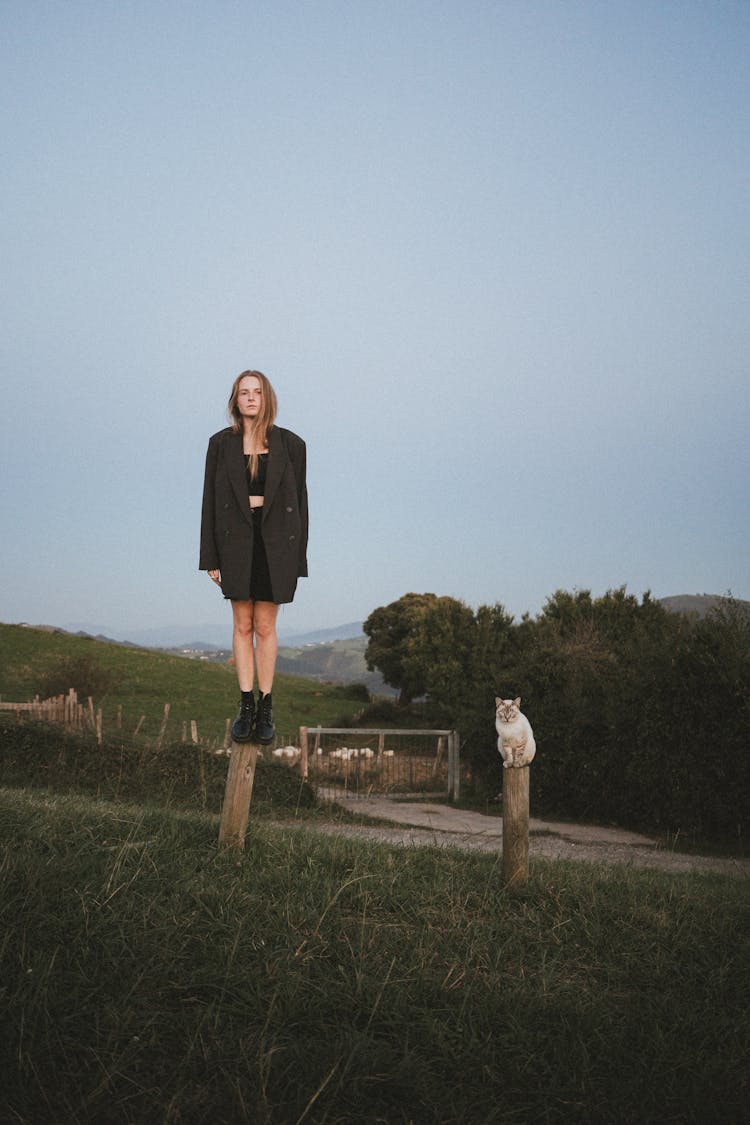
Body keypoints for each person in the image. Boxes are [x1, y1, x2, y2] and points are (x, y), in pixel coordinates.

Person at [200, 370, 308, 744]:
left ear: (266, 398)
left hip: (276, 542)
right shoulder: (219, 444)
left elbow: (301, 506)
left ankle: (266, 706)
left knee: (265, 627)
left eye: (256, 392)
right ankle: (245, 705)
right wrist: (210, 556)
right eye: (243, 392)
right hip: (235, 542)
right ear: (235, 399)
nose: (250, 398)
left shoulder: (291, 444)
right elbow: (209, 505)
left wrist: (299, 560)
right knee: (242, 625)